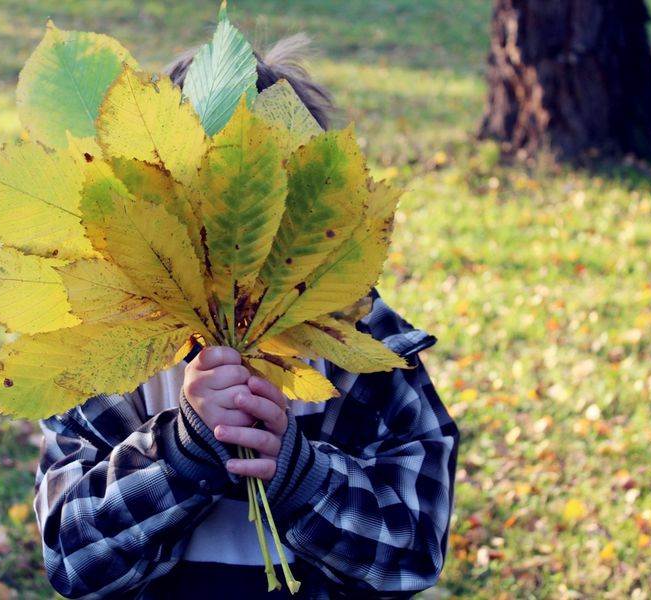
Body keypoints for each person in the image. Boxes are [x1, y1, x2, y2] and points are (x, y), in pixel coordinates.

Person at [33, 35, 460, 600]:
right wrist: (179, 452)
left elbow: (413, 553)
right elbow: (73, 559)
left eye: (265, 212)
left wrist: (302, 476)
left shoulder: (358, 341)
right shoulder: (111, 351)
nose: (235, 250)